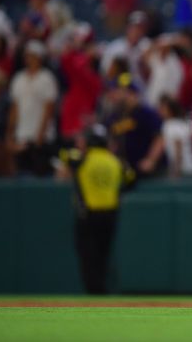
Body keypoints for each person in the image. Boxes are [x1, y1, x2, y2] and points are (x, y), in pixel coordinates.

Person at [57, 124, 134, 294]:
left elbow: (63, 155)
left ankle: (94, 291)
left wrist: (80, 148)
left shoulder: (82, 158)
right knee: (103, 254)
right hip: (110, 213)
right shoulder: (115, 161)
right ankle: (100, 289)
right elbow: (130, 177)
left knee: (87, 254)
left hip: (88, 213)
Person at [7, 40, 58, 176]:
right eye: (28, 56)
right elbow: (15, 109)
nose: (29, 59)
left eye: (33, 56)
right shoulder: (18, 79)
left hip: (41, 140)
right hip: (22, 137)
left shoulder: (47, 79)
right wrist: (10, 135)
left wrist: (39, 137)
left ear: (40, 58)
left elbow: (49, 109)